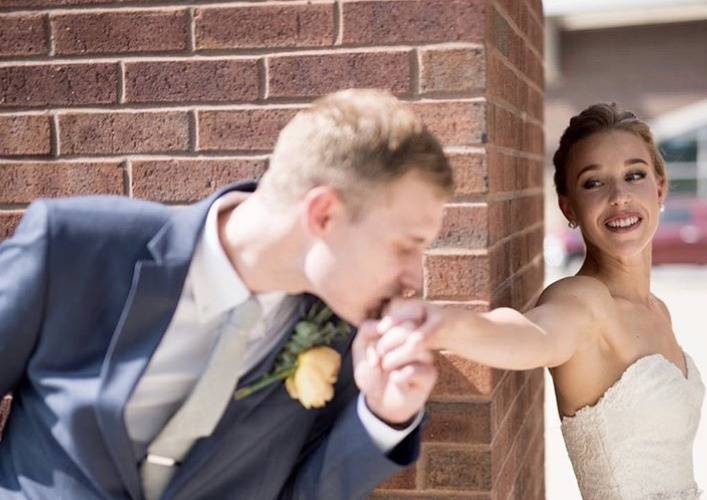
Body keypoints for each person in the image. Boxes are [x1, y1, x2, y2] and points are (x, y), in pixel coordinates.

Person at [0, 89, 453, 499]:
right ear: (323, 214)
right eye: (406, 244)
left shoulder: (342, 334)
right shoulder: (74, 247)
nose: (414, 276)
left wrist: (382, 414)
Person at [375, 103, 705, 499]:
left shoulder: (658, 310)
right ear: (569, 207)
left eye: (634, 175)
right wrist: (432, 323)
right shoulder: (582, 302)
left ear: (660, 187)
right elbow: (531, 332)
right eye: (593, 183)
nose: (619, 196)